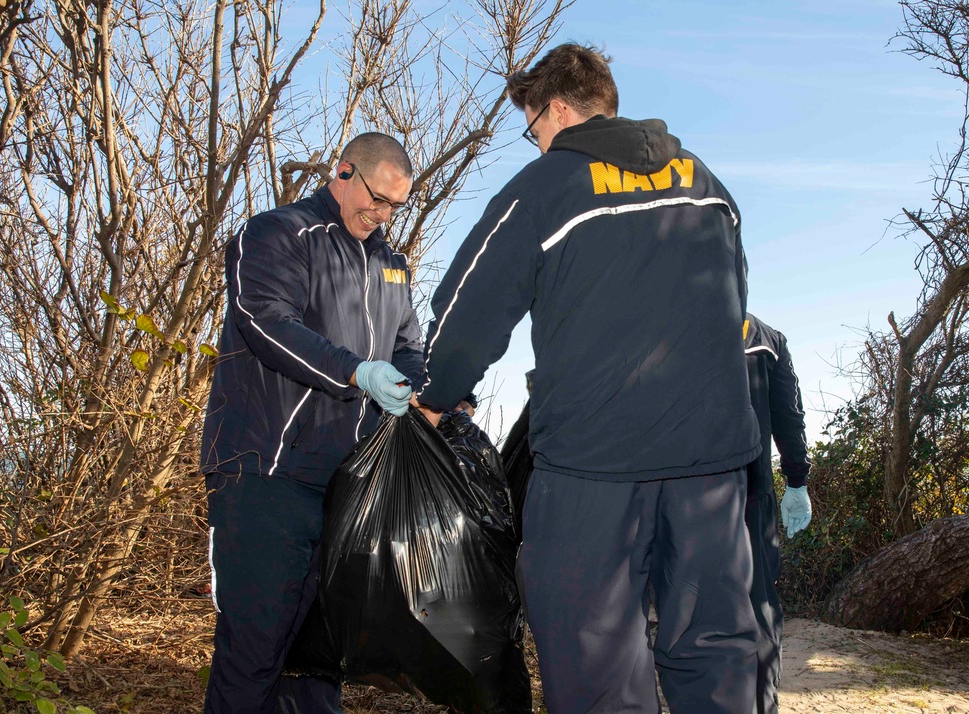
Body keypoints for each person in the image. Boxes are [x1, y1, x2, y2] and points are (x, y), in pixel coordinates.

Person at [413, 43, 762, 713]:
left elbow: (469, 309)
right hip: (713, 463)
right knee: (716, 646)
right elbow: (731, 300)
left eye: (532, 126)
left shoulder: (544, 188)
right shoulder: (708, 185)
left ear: (558, 110)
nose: (536, 143)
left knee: (593, 655)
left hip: (594, 466)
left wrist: (435, 395)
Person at [200, 132, 424, 714]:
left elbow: (408, 347)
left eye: (395, 206)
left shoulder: (391, 266)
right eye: (376, 198)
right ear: (344, 173)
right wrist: (355, 373)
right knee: (255, 647)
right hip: (266, 474)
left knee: (321, 655)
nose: (381, 215)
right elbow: (265, 321)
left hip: (348, 487)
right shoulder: (276, 234)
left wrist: (428, 394)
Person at [743, 313, 813, 714]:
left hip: (684, 494)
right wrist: (797, 480)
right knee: (759, 605)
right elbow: (789, 415)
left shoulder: (669, 315)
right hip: (753, 491)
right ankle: (759, 705)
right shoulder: (767, 338)